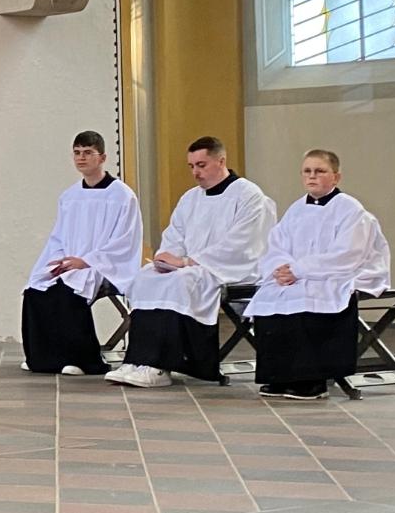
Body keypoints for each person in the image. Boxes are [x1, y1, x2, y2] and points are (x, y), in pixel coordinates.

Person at [105, 136, 274, 389]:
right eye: (191, 166)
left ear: (221, 161)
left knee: (184, 281)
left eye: (201, 165)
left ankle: (161, 366)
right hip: (190, 267)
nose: (195, 172)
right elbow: (175, 235)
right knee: (147, 276)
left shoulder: (249, 196)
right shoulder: (190, 198)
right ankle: (138, 360)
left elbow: (243, 244)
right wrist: (166, 258)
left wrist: (187, 262)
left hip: (229, 269)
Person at [247, 150, 390, 402]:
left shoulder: (349, 209)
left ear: (336, 176)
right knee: (271, 298)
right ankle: (281, 377)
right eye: (307, 171)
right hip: (297, 276)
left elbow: (348, 253)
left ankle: (312, 382)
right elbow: (277, 244)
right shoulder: (295, 209)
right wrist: (282, 268)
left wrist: (299, 270)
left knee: (308, 298)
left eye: (320, 171)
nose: (312, 176)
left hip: (334, 275)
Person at [20, 131, 142, 376]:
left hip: (103, 265)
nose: (81, 158)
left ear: (102, 157)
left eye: (88, 153)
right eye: (77, 153)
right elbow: (59, 237)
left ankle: (82, 360)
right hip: (71, 261)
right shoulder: (70, 196)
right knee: (36, 289)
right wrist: (59, 261)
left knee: (69, 292)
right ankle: (43, 358)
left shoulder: (122, 195)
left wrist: (85, 261)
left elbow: (125, 241)